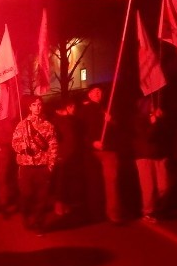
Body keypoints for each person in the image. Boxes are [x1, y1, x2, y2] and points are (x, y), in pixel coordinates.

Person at [12, 96, 59, 233]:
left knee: (42, 197)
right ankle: (26, 214)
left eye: (39, 104)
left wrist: (51, 165)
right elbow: (14, 143)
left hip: (42, 166)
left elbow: (53, 145)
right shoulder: (22, 125)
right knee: (26, 194)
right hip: (26, 166)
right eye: (34, 105)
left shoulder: (48, 126)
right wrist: (22, 147)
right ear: (29, 107)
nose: (37, 107)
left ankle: (39, 223)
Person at [78, 85, 123, 223]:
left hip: (109, 150)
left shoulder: (108, 108)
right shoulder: (85, 110)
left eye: (100, 91)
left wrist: (111, 122)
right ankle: (95, 212)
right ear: (89, 95)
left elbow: (119, 130)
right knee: (94, 183)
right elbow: (80, 132)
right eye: (95, 91)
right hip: (92, 152)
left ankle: (113, 213)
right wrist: (92, 143)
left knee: (111, 182)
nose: (98, 93)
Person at [132, 97, 170, 223]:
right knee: (148, 187)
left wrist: (160, 120)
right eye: (151, 104)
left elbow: (165, 135)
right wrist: (154, 123)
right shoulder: (138, 120)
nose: (154, 106)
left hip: (159, 156)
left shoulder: (158, 119)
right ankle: (148, 212)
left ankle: (157, 209)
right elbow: (147, 137)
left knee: (163, 186)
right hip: (144, 156)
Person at [50, 97, 82, 218]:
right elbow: (55, 139)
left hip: (72, 155)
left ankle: (67, 203)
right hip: (62, 156)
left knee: (69, 181)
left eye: (74, 106)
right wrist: (57, 154)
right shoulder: (56, 121)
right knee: (61, 182)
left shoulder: (73, 120)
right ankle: (59, 204)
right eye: (71, 106)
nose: (74, 108)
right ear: (64, 108)